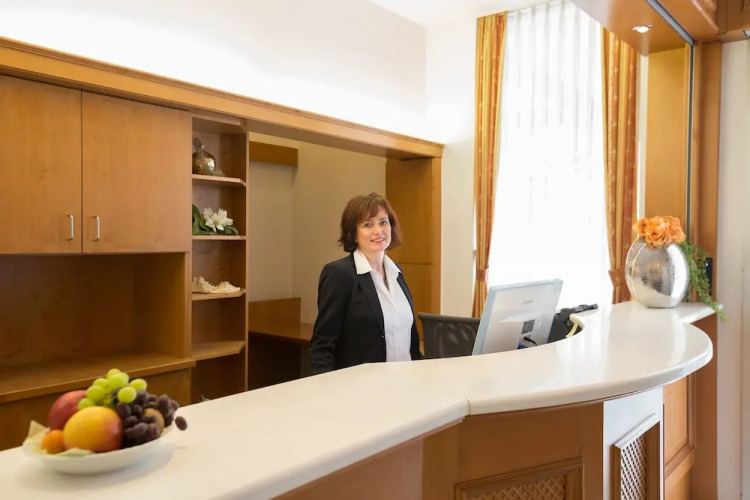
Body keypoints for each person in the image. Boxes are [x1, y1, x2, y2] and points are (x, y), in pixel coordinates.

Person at [309, 192, 424, 375]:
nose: (378, 230)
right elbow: (322, 346)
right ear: (354, 234)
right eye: (368, 224)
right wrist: (326, 388)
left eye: (383, 222)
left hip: (405, 384)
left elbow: (411, 345)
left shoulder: (396, 272)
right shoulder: (339, 275)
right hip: (360, 387)